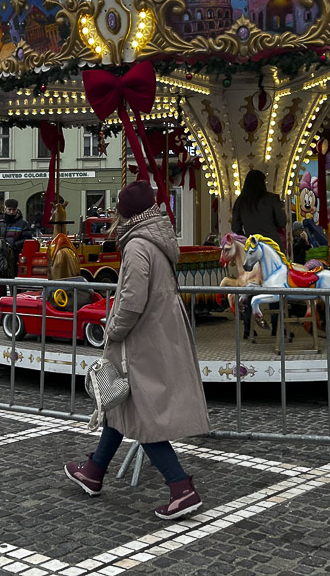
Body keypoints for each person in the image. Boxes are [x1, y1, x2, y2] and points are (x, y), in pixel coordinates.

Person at [63, 179, 209, 521]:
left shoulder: (137, 245)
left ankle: (180, 487)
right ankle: (94, 471)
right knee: (122, 402)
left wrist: (113, 329)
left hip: (143, 339)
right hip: (159, 332)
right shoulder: (157, 238)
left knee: (142, 414)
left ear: (125, 213)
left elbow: (131, 299)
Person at [231, 169, 287, 244]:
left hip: (253, 244)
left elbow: (235, 227)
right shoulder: (272, 198)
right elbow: (282, 222)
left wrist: (246, 238)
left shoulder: (240, 201)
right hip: (273, 243)